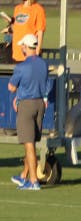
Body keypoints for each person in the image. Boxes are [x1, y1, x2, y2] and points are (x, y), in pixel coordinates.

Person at [7, 34, 50, 191]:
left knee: (29, 144)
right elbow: (47, 83)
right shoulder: (43, 64)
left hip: (26, 105)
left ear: (26, 47)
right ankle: (24, 176)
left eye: (22, 46)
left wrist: (18, 93)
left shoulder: (22, 67)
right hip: (40, 104)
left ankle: (33, 181)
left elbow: (11, 87)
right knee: (31, 143)